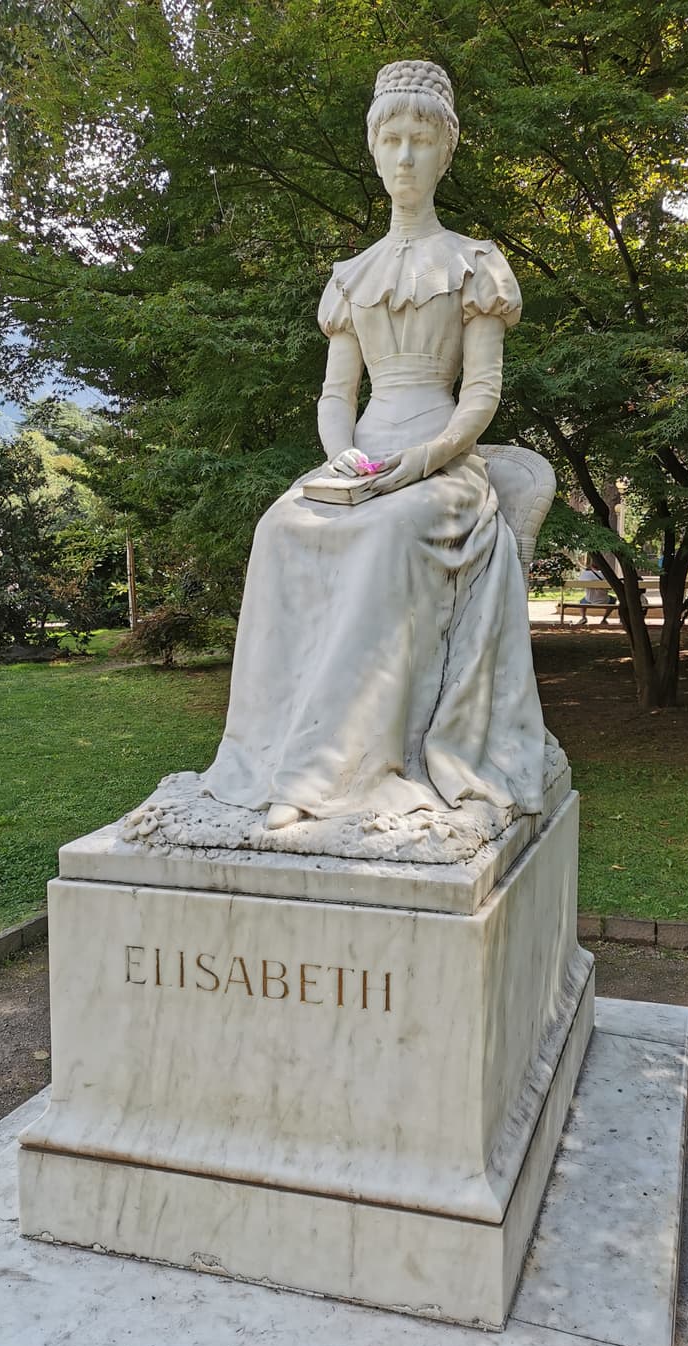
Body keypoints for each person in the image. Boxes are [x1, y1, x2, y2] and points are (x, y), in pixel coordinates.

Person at [200, 61, 546, 831]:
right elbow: (335, 397)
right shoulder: (352, 277)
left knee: (389, 537)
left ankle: (326, 775)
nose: (404, 157)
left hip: (441, 466)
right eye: (391, 139)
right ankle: (264, 757)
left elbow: (481, 395)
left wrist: (420, 462)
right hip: (360, 461)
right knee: (278, 528)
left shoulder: (476, 263)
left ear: (446, 151)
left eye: (420, 140)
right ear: (373, 150)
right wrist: (341, 459)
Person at [574, 558, 616, 625]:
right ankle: (604, 619)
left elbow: (579, 583)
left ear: (591, 566)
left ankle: (583, 617)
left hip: (589, 600)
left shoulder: (585, 574)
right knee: (613, 599)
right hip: (604, 600)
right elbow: (610, 588)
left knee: (582, 601)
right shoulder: (605, 574)